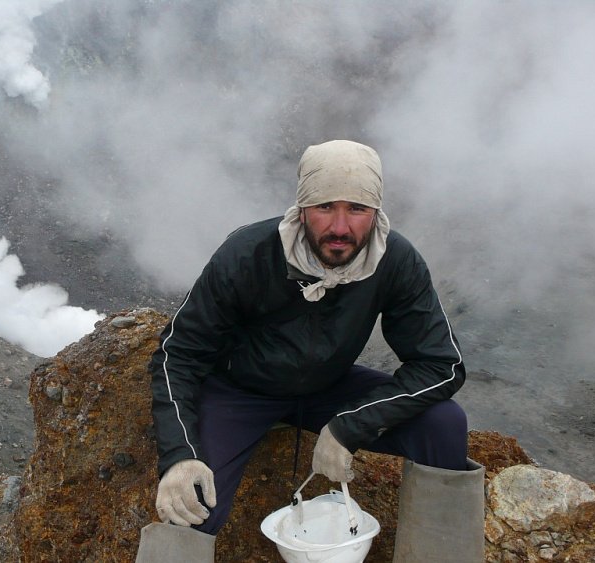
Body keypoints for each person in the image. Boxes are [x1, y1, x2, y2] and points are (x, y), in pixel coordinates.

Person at [134, 140, 484, 562]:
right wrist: (180, 456)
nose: (340, 227)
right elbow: (178, 355)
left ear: (376, 212)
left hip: (328, 388)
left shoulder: (393, 260)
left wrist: (349, 426)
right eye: (324, 208)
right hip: (240, 392)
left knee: (444, 423)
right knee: (190, 501)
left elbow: (441, 365)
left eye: (356, 209)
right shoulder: (248, 254)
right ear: (301, 209)